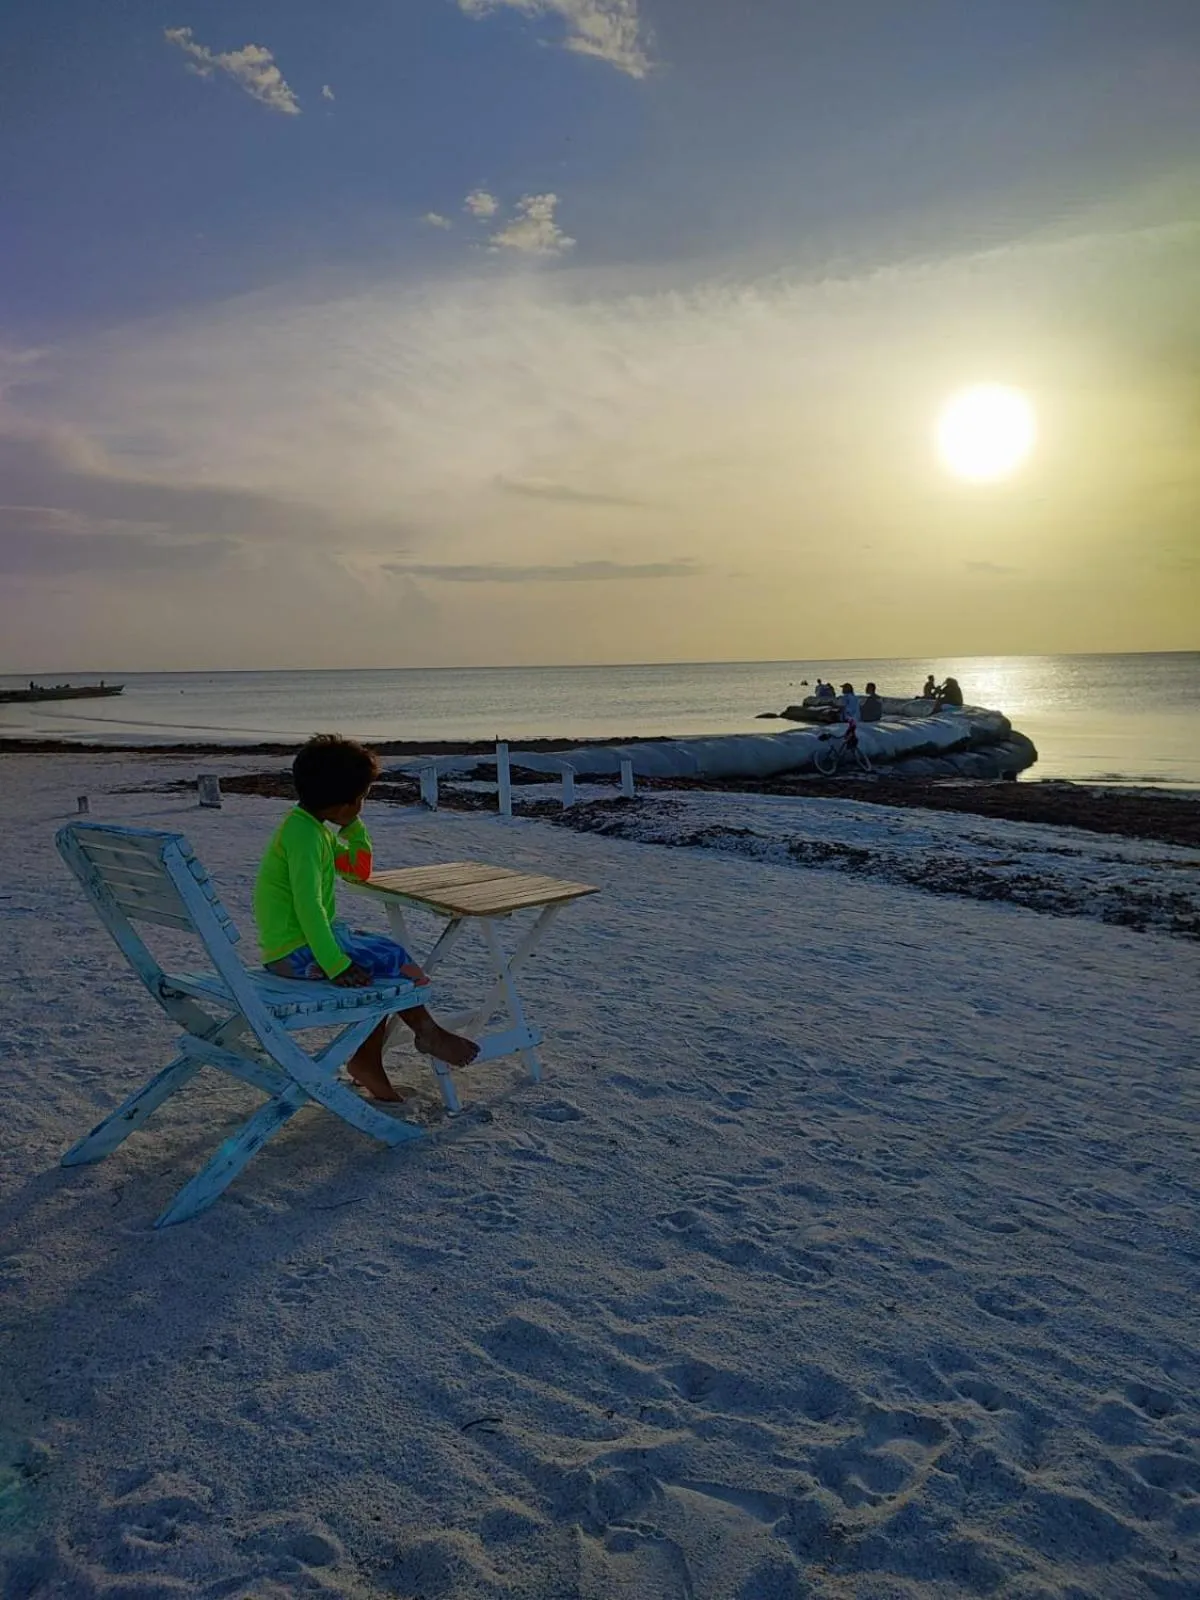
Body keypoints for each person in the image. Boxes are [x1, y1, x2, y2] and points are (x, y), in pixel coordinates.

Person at [254, 733, 478, 1103]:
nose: (362, 805)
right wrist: (336, 963)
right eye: (361, 799)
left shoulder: (311, 830)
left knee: (380, 956)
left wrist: (352, 827)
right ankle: (423, 1033)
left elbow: (358, 870)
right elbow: (310, 907)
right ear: (343, 802)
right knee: (390, 958)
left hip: (300, 946)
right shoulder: (305, 838)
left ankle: (369, 1058)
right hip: (296, 953)